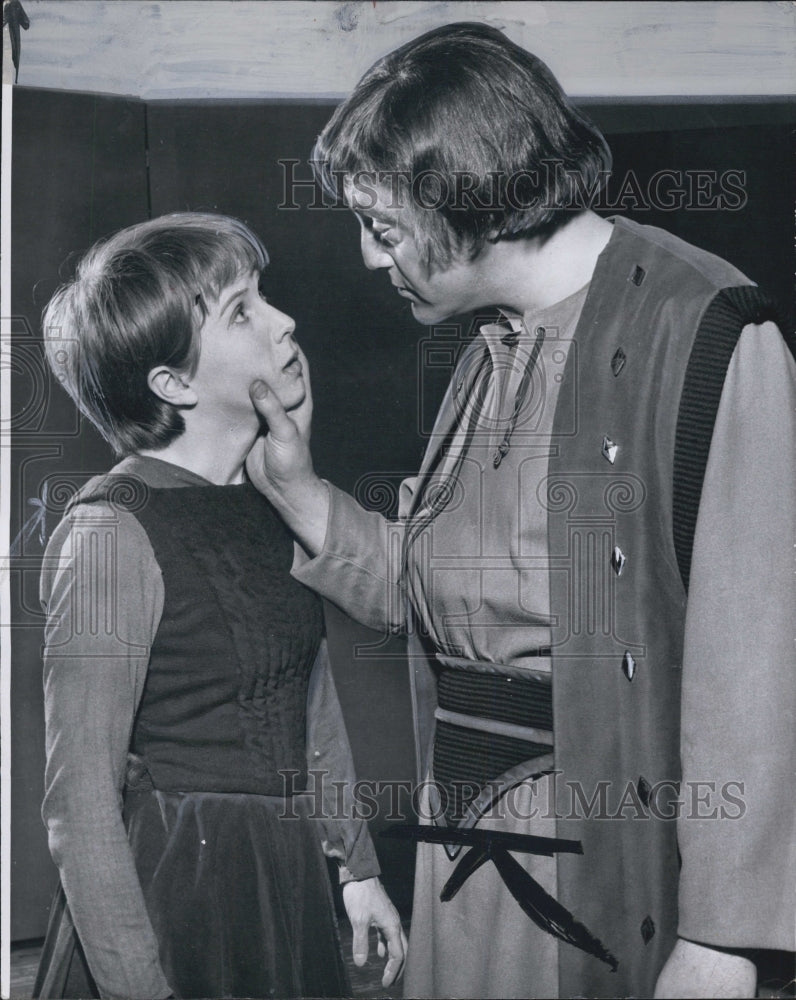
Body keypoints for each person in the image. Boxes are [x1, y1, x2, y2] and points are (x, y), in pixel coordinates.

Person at [244, 21, 796, 1000]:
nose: (371, 261)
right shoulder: (485, 351)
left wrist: (722, 941)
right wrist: (294, 486)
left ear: (477, 207)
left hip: (593, 879)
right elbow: (435, 603)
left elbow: (756, 669)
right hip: (463, 857)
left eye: (383, 228)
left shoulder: (706, 334)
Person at [32, 212, 406, 1000]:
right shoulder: (109, 532)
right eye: (243, 310)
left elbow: (313, 711)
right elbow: (80, 804)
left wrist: (357, 871)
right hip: (178, 897)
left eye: (262, 296)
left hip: (286, 881)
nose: (284, 321)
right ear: (172, 384)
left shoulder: (265, 503)